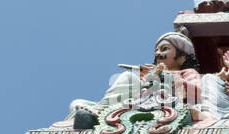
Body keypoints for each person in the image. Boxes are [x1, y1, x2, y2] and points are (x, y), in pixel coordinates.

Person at [65, 32, 206, 127]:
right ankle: (99, 110)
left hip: (170, 104)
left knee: (129, 78)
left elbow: (194, 93)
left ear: (181, 58)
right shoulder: (147, 76)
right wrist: (149, 78)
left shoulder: (187, 72)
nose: (158, 53)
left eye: (164, 49)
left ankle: (100, 111)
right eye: (157, 50)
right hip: (138, 104)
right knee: (77, 103)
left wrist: (165, 76)